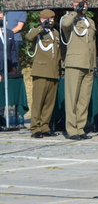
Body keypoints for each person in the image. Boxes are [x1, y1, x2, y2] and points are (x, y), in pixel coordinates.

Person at [61, 0, 96, 140]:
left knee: (84, 99)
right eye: (83, 3)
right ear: (75, 4)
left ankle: (80, 127)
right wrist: (75, 11)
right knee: (72, 98)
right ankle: (71, 129)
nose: (86, 5)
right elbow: (65, 25)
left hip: (88, 64)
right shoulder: (68, 18)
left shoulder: (90, 21)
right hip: (74, 63)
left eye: (87, 3)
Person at [24, 10, 61, 138]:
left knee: (49, 103)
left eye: (52, 18)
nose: (51, 20)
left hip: (53, 71)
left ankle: (45, 126)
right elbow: (29, 38)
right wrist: (41, 27)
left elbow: (59, 54)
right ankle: (35, 128)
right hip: (40, 71)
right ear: (43, 19)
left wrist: (60, 70)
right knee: (38, 101)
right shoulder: (37, 31)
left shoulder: (55, 33)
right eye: (49, 18)